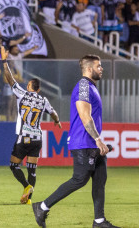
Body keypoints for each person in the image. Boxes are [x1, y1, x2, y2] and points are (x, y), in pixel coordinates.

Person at [32, 55, 119, 228]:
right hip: (83, 142)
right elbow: (85, 115)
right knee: (80, 179)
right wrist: (98, 139)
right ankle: (42, 207)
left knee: (100, 179)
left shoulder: (91, 87)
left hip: (91, 143)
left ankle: (99, 221)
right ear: (88, 69)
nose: (101, 69)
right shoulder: (84, 87)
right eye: (98, 66)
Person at [1, 46, 61, 205]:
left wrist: (4, 61)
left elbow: (9, 79)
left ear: (29, 87)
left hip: (23, 137)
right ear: (39, 89)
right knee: (32, 169)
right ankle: (28, 200)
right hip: (37, 138)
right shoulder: (44, 100)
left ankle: (26, 186)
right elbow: (54, 114)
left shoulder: (22, 94)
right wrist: (56, 121)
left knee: (14, 166)